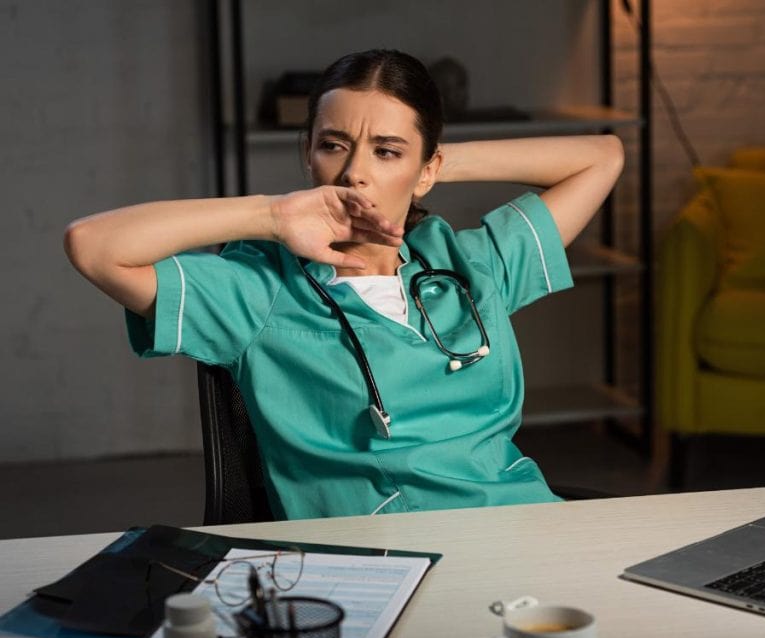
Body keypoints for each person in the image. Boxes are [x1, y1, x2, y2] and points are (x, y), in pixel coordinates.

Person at [64, 49, 623, 519]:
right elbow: (94, 247)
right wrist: (272, 216)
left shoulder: (469, 263)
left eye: (386, 151)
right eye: (333, 145)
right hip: (381, 564)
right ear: (306, 154)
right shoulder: (256, 290)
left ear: (426, 167)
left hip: (528, 531)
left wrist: (430, 161)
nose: (355, 172)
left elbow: (602, 157)